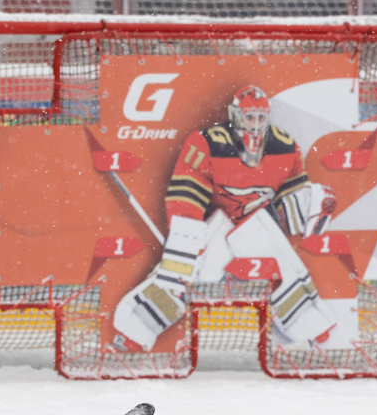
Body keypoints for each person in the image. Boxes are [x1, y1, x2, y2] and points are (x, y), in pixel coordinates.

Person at [113, 85, 337, 351]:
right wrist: (186, 236)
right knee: (179, 277)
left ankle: (311, 328)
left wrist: (310, 206)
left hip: (259, 225)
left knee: (286, 271)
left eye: (260, 117)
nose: (254, 125)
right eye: (248, 117)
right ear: (235, 115)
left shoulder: (285, 145)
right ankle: (133, 331)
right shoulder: (208, 142)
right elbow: (187, 192)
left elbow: (290, 194)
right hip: (219, 225)